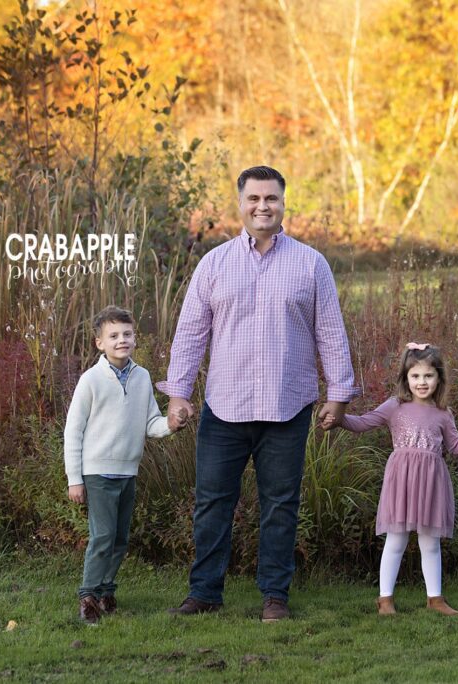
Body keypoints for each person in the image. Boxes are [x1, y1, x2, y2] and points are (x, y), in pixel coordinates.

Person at [158, 165, 358, 622]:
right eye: (254, 199)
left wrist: (338, 392)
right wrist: (178, 393)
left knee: (281, 505)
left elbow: (330, 332)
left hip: (288, 407)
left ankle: (274, 596)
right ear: (241, 204)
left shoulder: (310, 263)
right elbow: (190, 332)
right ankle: (205, 592)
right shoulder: (215, 263)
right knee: (211, 503)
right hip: (224, 407)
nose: (262, 206)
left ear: (284, 203)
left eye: (271, 198)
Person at [322, 343, 458, 616]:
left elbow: (456, 448)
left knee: (430, 541)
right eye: (415, 376)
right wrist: (339, 418)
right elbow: (364, 423)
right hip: (401, 481)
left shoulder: (443, 413)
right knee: (396, 540)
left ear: (439, 378)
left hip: (431, 482)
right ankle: (385, 599)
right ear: (406, 378)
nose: (422, 382)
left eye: (428, 376)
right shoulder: (395, 406)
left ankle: (435, 599)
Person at [64, 305, 177, 624]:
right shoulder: (91, 380)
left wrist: (172, 423)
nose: (121, 340)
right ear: (100, 342)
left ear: (134, 338)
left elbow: (151, 423)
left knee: (119, 538)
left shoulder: (142, 378)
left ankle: (106, 590)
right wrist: (75, 478)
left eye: (127, 334)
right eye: (113, 336)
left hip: (128, 471)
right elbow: (73, 430)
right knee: (102, 535)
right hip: (97, 472)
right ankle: (87, 595)